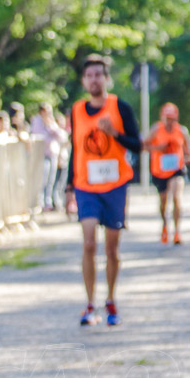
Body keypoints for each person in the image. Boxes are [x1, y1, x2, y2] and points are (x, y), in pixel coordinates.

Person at [66, 55, 141, 326]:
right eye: (89, 75)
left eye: (99, 74)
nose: (94, 79)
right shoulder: (76, 110)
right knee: (88, 243)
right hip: (86, 186)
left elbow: (138, 145)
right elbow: (75, 147)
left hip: (115, 186)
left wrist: (115, 134)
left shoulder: (120, 107)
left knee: (111, 248)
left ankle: (110, 300)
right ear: (84, 81)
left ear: (106, 78)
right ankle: (89, 304)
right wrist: (69, 186)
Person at [144, 103, 190, 245]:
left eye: (172, 118)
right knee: (163, 202)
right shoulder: (156, 129)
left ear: (176, 118)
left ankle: (177, 231)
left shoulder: (182, 131)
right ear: (162, 117)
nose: (170, 121)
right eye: (167, 118)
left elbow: (189, 151)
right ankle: (165, 225)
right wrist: (158, 148)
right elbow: (144, 145)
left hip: (176, 169)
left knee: (177, 198)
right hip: (159, 171)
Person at [30, 103, 68, 211]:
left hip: (53, 154)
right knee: (43, 179)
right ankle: (40, 202)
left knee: (51, 180)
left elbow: (61, 136)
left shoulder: (51, 122)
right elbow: (39, 137)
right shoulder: (37, 122)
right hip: (42, 154)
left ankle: (48, 201)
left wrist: (51, 126)